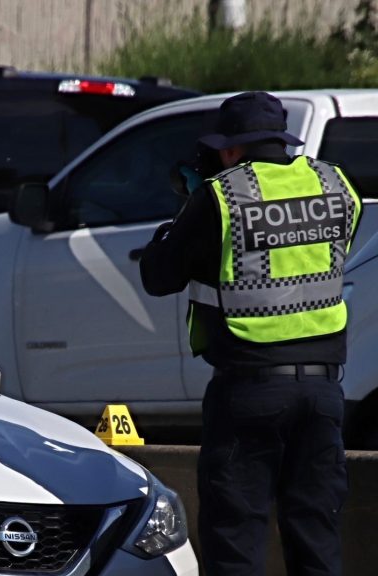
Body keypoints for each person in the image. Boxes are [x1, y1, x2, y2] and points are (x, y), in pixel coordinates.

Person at [140, 91, 360, 576]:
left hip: (250, 391)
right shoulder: (335, 184)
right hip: (324, 392)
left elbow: (159, 277)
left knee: (236, 538)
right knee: (316, 534)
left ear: (231, 149)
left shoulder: (222, 196)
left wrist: (174, 227)